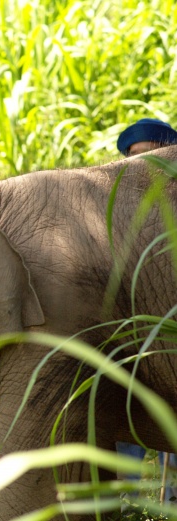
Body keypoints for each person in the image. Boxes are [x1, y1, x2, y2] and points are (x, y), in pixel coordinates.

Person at [115, 117, 177, 506]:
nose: (137, 167)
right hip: (133, 342)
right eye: (130, 158)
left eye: (146, 156)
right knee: (127, 424)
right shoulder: (118, 211)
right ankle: (133, 503)